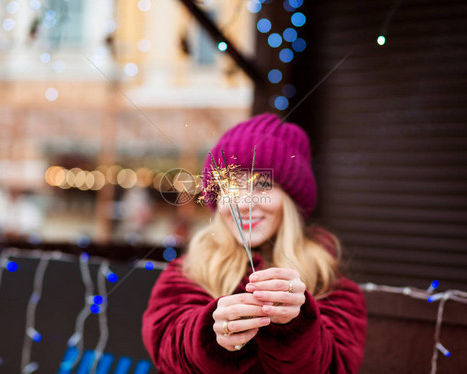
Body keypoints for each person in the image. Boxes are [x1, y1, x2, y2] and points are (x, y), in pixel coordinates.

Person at [142, 113, 367, 373]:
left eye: (262, 184)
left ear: (290, 201)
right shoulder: (187, 272)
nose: (244, 204)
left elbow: (333, 366)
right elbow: (167, 349)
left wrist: (295, 325)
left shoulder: (330, 284)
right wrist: (211, 337)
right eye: (231, 186)